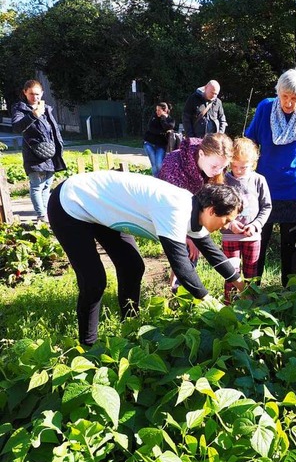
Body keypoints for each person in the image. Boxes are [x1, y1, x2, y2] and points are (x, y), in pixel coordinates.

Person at [47, 170, 245, 346]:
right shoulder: (176, 210)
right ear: (212, 210)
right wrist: (209, 302)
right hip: (71, 203)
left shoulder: (196, 210)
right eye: (227, 220)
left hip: (102, 206)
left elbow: (212, 252)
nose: (227, 226)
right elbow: (182, 267)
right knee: (94, 280)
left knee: (132, 266)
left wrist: (242, 285)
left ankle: (130, 326)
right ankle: (88, 345)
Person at [246, 68, 296, 286]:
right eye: (285, 97)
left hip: (295, 191)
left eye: (295, 98)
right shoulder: (264, 108)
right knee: (258, 241)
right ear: (278, 92)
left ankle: (287, 292)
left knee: (290, 246)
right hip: (264, 189)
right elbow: (249, 144)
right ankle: (252, 289)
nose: (289, 103)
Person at [158, 132, 233, 291]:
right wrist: (188, 237)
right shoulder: (175, 165)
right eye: (214, 166)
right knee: (187, 254)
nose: (218, 171)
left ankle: (177, 286)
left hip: (193, 214)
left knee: (196, 249)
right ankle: (180, 295)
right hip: (168, 215)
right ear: (201, 154)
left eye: (222, 167)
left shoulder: (212, 164)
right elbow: (169, 210)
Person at [221, 137, 272, 301]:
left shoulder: (259, 180)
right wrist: (230, 223)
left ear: (253, 164)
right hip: (230, 236)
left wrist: (256, 225)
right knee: (231, 272)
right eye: (234, 166)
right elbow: (217, 208)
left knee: (251, 273)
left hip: (252, 236)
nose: (238, 170)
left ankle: (250, 305)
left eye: (243, 167)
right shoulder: (224, 180)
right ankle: (228, 305)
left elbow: (266, 207)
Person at [12, 79, 67, 222]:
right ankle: (41, 214)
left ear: (42, 93)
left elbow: (53, 131)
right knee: (37, 186)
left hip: (50, 154)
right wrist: (33, 115)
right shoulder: (20, 109)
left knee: (47, 186)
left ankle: (46, 213)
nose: (34, 97)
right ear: (25, 92)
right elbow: (17, 127)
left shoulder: (46, 108)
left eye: (37, 94)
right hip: (34, 154)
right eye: (31, 94)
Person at [143, 102, 175, 176]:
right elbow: (151, 128)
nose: (157, 112)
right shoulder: (154, 117)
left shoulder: (170, 120)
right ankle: (156, 180)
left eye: (159, 110)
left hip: (161, 145)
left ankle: (161, 180)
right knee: (154, 164)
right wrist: (162, 132)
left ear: (165, 110)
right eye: (156, 110)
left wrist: (163, 118)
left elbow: (168, 127)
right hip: (149, 143)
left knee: (159, 164)